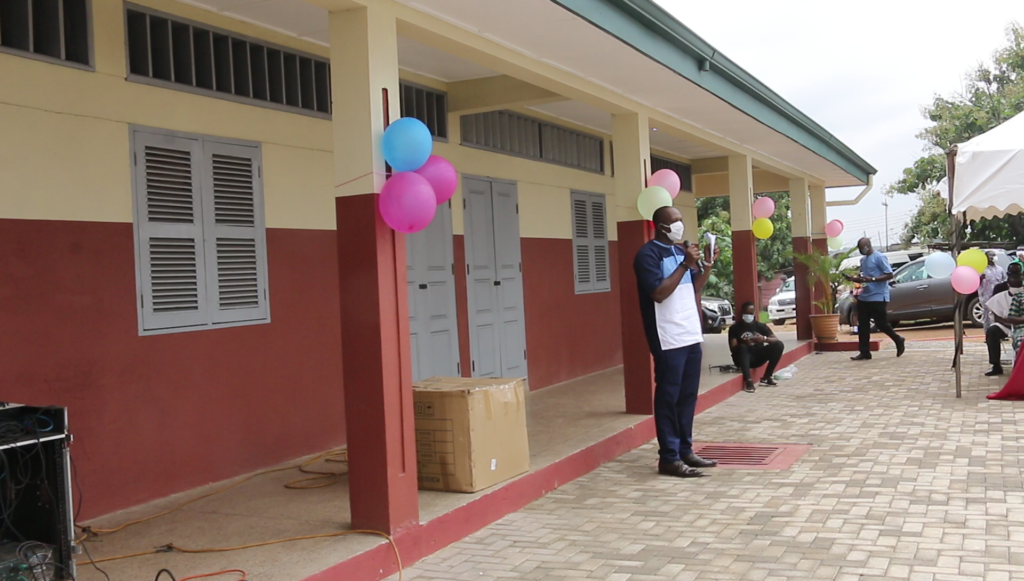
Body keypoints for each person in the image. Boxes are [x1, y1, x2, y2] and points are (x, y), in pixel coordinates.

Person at [634, 206, 720, 478]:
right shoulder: (647, 255)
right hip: (667, 335)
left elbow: (694, 285)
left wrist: (705, 264)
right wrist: (684, 264)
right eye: (675, 221)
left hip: (690, 333)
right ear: (660, 226)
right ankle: (668, 458)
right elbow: (658, 293)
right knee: (668, 397)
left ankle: (685, 450)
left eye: (681, 220)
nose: (680, 225)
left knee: (686, 397)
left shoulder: (680, 250)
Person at [844, 237, 906, 361]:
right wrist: (854, 279)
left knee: (881, 323)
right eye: (860, 249)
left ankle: (898, 339)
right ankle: (864, 352)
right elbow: (864, 277)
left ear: (868, 246)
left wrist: (872, 279)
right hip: (865, 296)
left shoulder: (879, 257)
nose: (862, 251)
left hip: (878, 296)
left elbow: (889, 274)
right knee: (863, 326)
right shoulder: (863, 260)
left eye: (863, 248)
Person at [987, 261, 1024, 400]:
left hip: (1020, 325)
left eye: (1017, 273)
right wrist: (1011, 322)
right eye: (1012, 274)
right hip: (1006, 324)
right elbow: (997, 316)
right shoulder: (1000, 289)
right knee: (992, 331)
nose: (1015, 277)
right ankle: (996, 364)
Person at [729, 302, 785, 393]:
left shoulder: (760, 326)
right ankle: (748, 381)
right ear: (742, 313)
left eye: (751, 313)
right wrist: (743, 342)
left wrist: (763, 339)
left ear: (754, 313)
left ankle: (767, 377)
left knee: (779, 345)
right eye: (746, 313)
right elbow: (733, 348)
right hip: (742, 358)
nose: (748, 316)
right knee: (742, 347)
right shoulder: (735, 328)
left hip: (757, 357)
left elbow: (775, 339)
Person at [980, 251, 1008, 329]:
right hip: (987, 297)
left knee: (999, 315)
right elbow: (976, 283)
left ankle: (1000, 332)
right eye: (991, 256)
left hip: (998, 297)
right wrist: (981, 278)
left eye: (994, 255)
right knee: (987, 317)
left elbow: (1004, 282)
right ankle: (988, 334)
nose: (993, 257)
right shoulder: (982, 270)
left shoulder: (1000, 269)